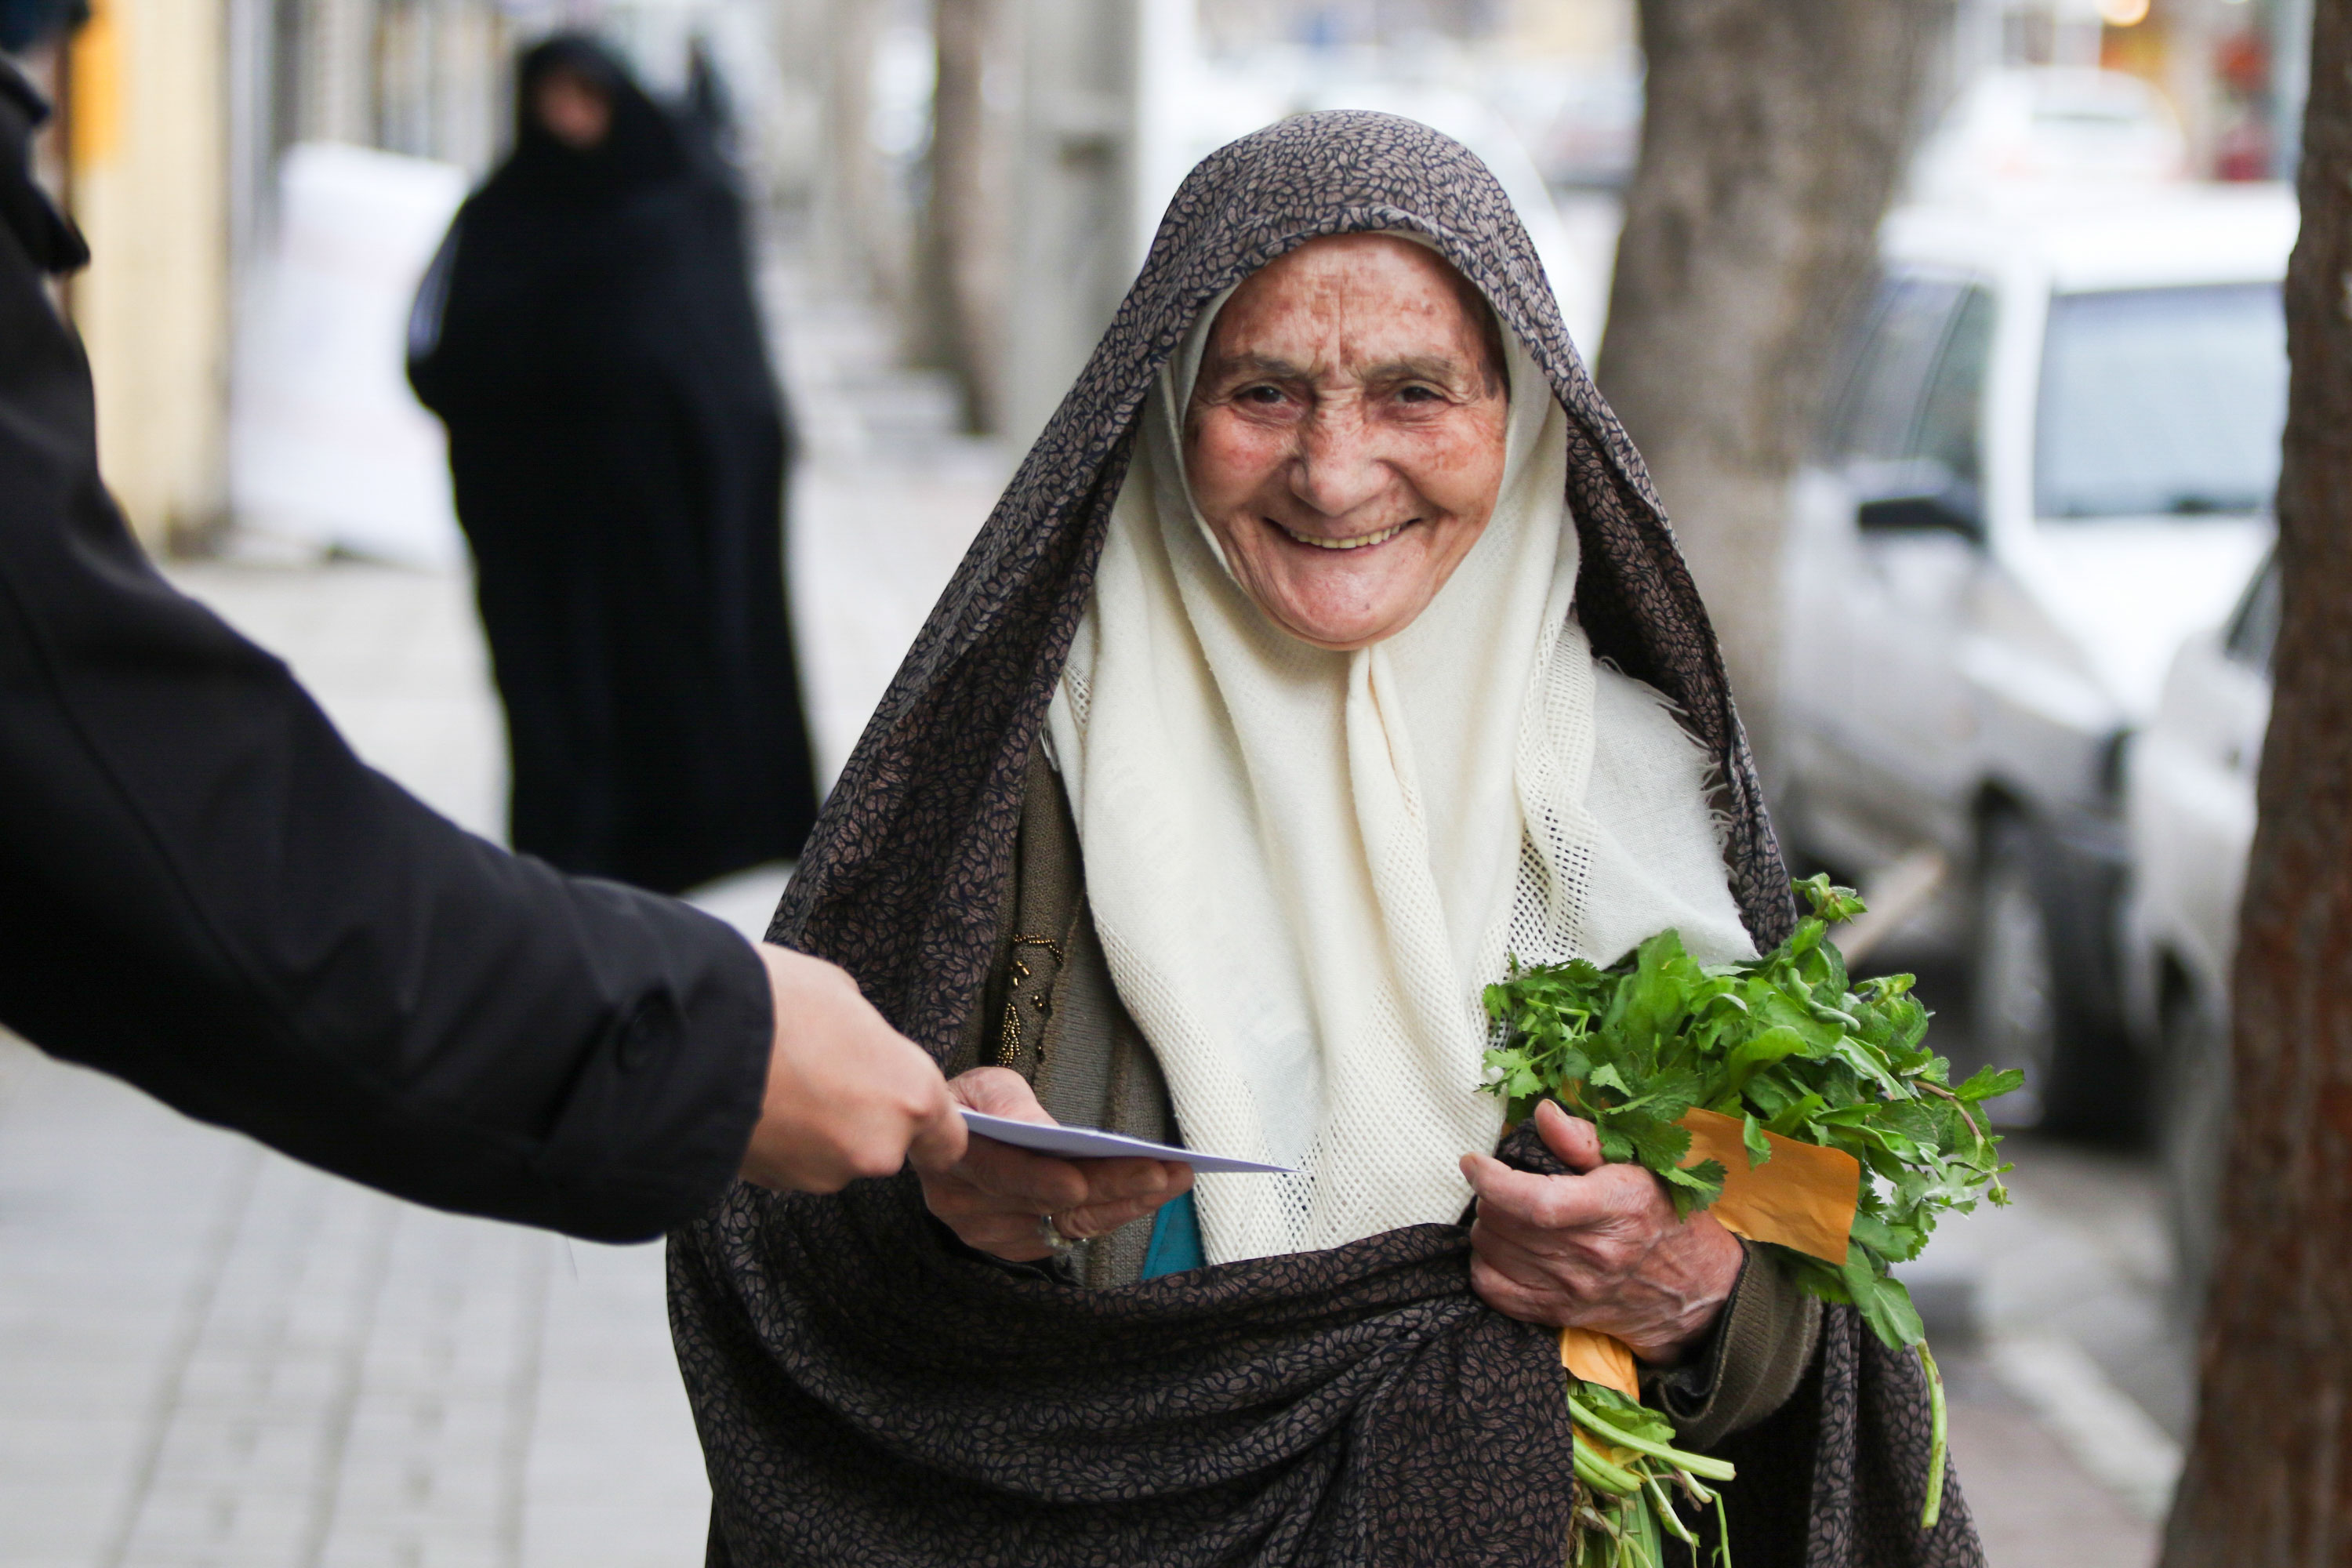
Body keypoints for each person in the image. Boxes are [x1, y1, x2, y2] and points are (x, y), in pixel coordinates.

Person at [668, 114, 1981, 1566]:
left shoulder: (1634, 784)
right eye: (1265, 391)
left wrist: (1697, 1283)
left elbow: (1810, 1272)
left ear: (1526, 414)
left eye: (1416, 391)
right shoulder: (1010, 776)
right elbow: (774, 1238)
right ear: (1167, 405)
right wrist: (942, 1206)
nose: (1335, 473)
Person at [0, 56, 964, 1242]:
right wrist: (704, 1038)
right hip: (539, 548)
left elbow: (730, 403)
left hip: (652, 559)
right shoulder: (508, 209)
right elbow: (136, 805)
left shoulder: (678, 205)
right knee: (561, 742)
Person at [408, 34, 818, 896]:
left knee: (666, 694)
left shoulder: (683, 204)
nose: (570, 120)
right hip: (539, 519)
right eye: (552, 99)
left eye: (587, 98)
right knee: (554, 708)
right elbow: (446, 358)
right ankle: (568, 868)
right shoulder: (503, 212)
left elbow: (730, 373)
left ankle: (674, 857)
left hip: (661, 519)